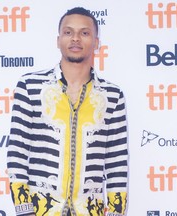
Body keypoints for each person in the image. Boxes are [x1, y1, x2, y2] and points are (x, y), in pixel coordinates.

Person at [7, 7, 129, 216]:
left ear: (96, 43)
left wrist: (116, 212)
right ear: (58, 40)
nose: (75, 39)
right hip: (39, 211)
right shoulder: (30, 86)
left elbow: (116, 163)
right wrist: (24, 210)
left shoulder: (112, 95)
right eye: (68, 32)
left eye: (84, 33)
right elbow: (17, 152)